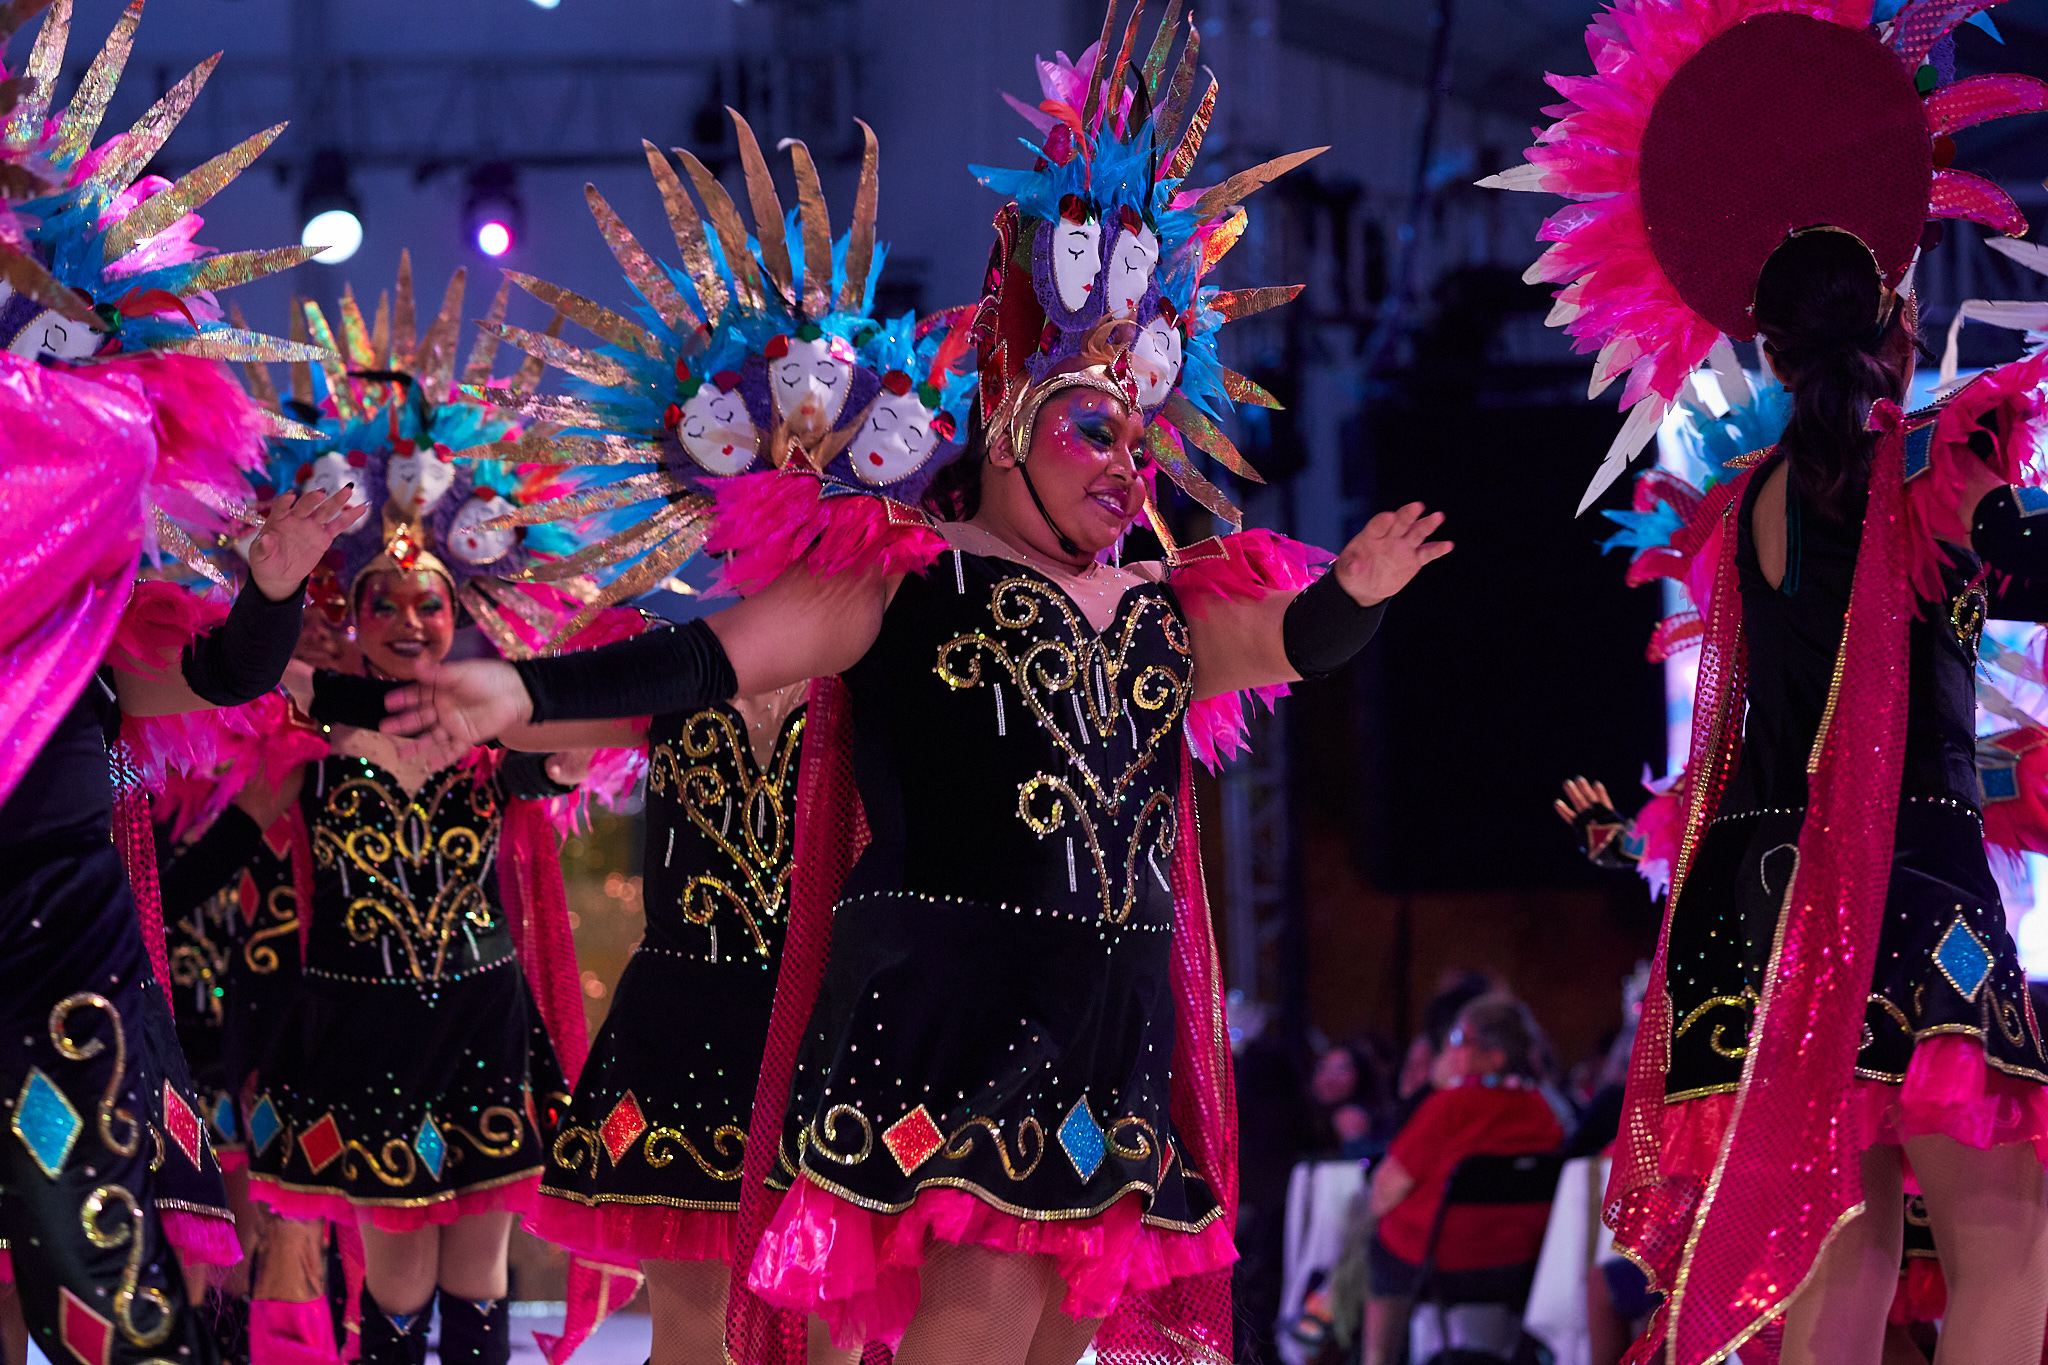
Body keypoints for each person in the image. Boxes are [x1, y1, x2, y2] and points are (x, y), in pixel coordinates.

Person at [367, 14, 1447, 1361]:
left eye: (1141, 437)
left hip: (1109, 1024)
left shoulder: (1162, 611)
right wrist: (516, 695)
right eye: (1094, 427)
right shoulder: (904, 578)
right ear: (1008, 424)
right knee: (971, 1324)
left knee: (1054, 1342)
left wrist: (1356, 591)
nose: (1129, 463)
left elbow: (1298, 643)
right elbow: (706, 659)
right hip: (957, 1011)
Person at [1488, 5, 2048, 1360]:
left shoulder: (1744, 507)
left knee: (1837, 1254)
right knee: (2011, 1239)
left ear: (1773, 347)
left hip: (1755, 914)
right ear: (1898, 312)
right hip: (1905, 885)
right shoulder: (1937, 464)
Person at [0, 4, 366, 1360]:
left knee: (100, 1281)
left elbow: (216, 676)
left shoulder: (98, 603)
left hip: (58, 943)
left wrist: (274, 585)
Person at [1361, 994, 1562, 1365]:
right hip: (1521, 1264)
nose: (1447, 1049)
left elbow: (1382, 1194)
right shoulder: (1542, 1110)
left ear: (1495, 1056)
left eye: (1458, 1039)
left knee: (1374, 1240)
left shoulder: (1450, 1106)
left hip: (1443, 1263)